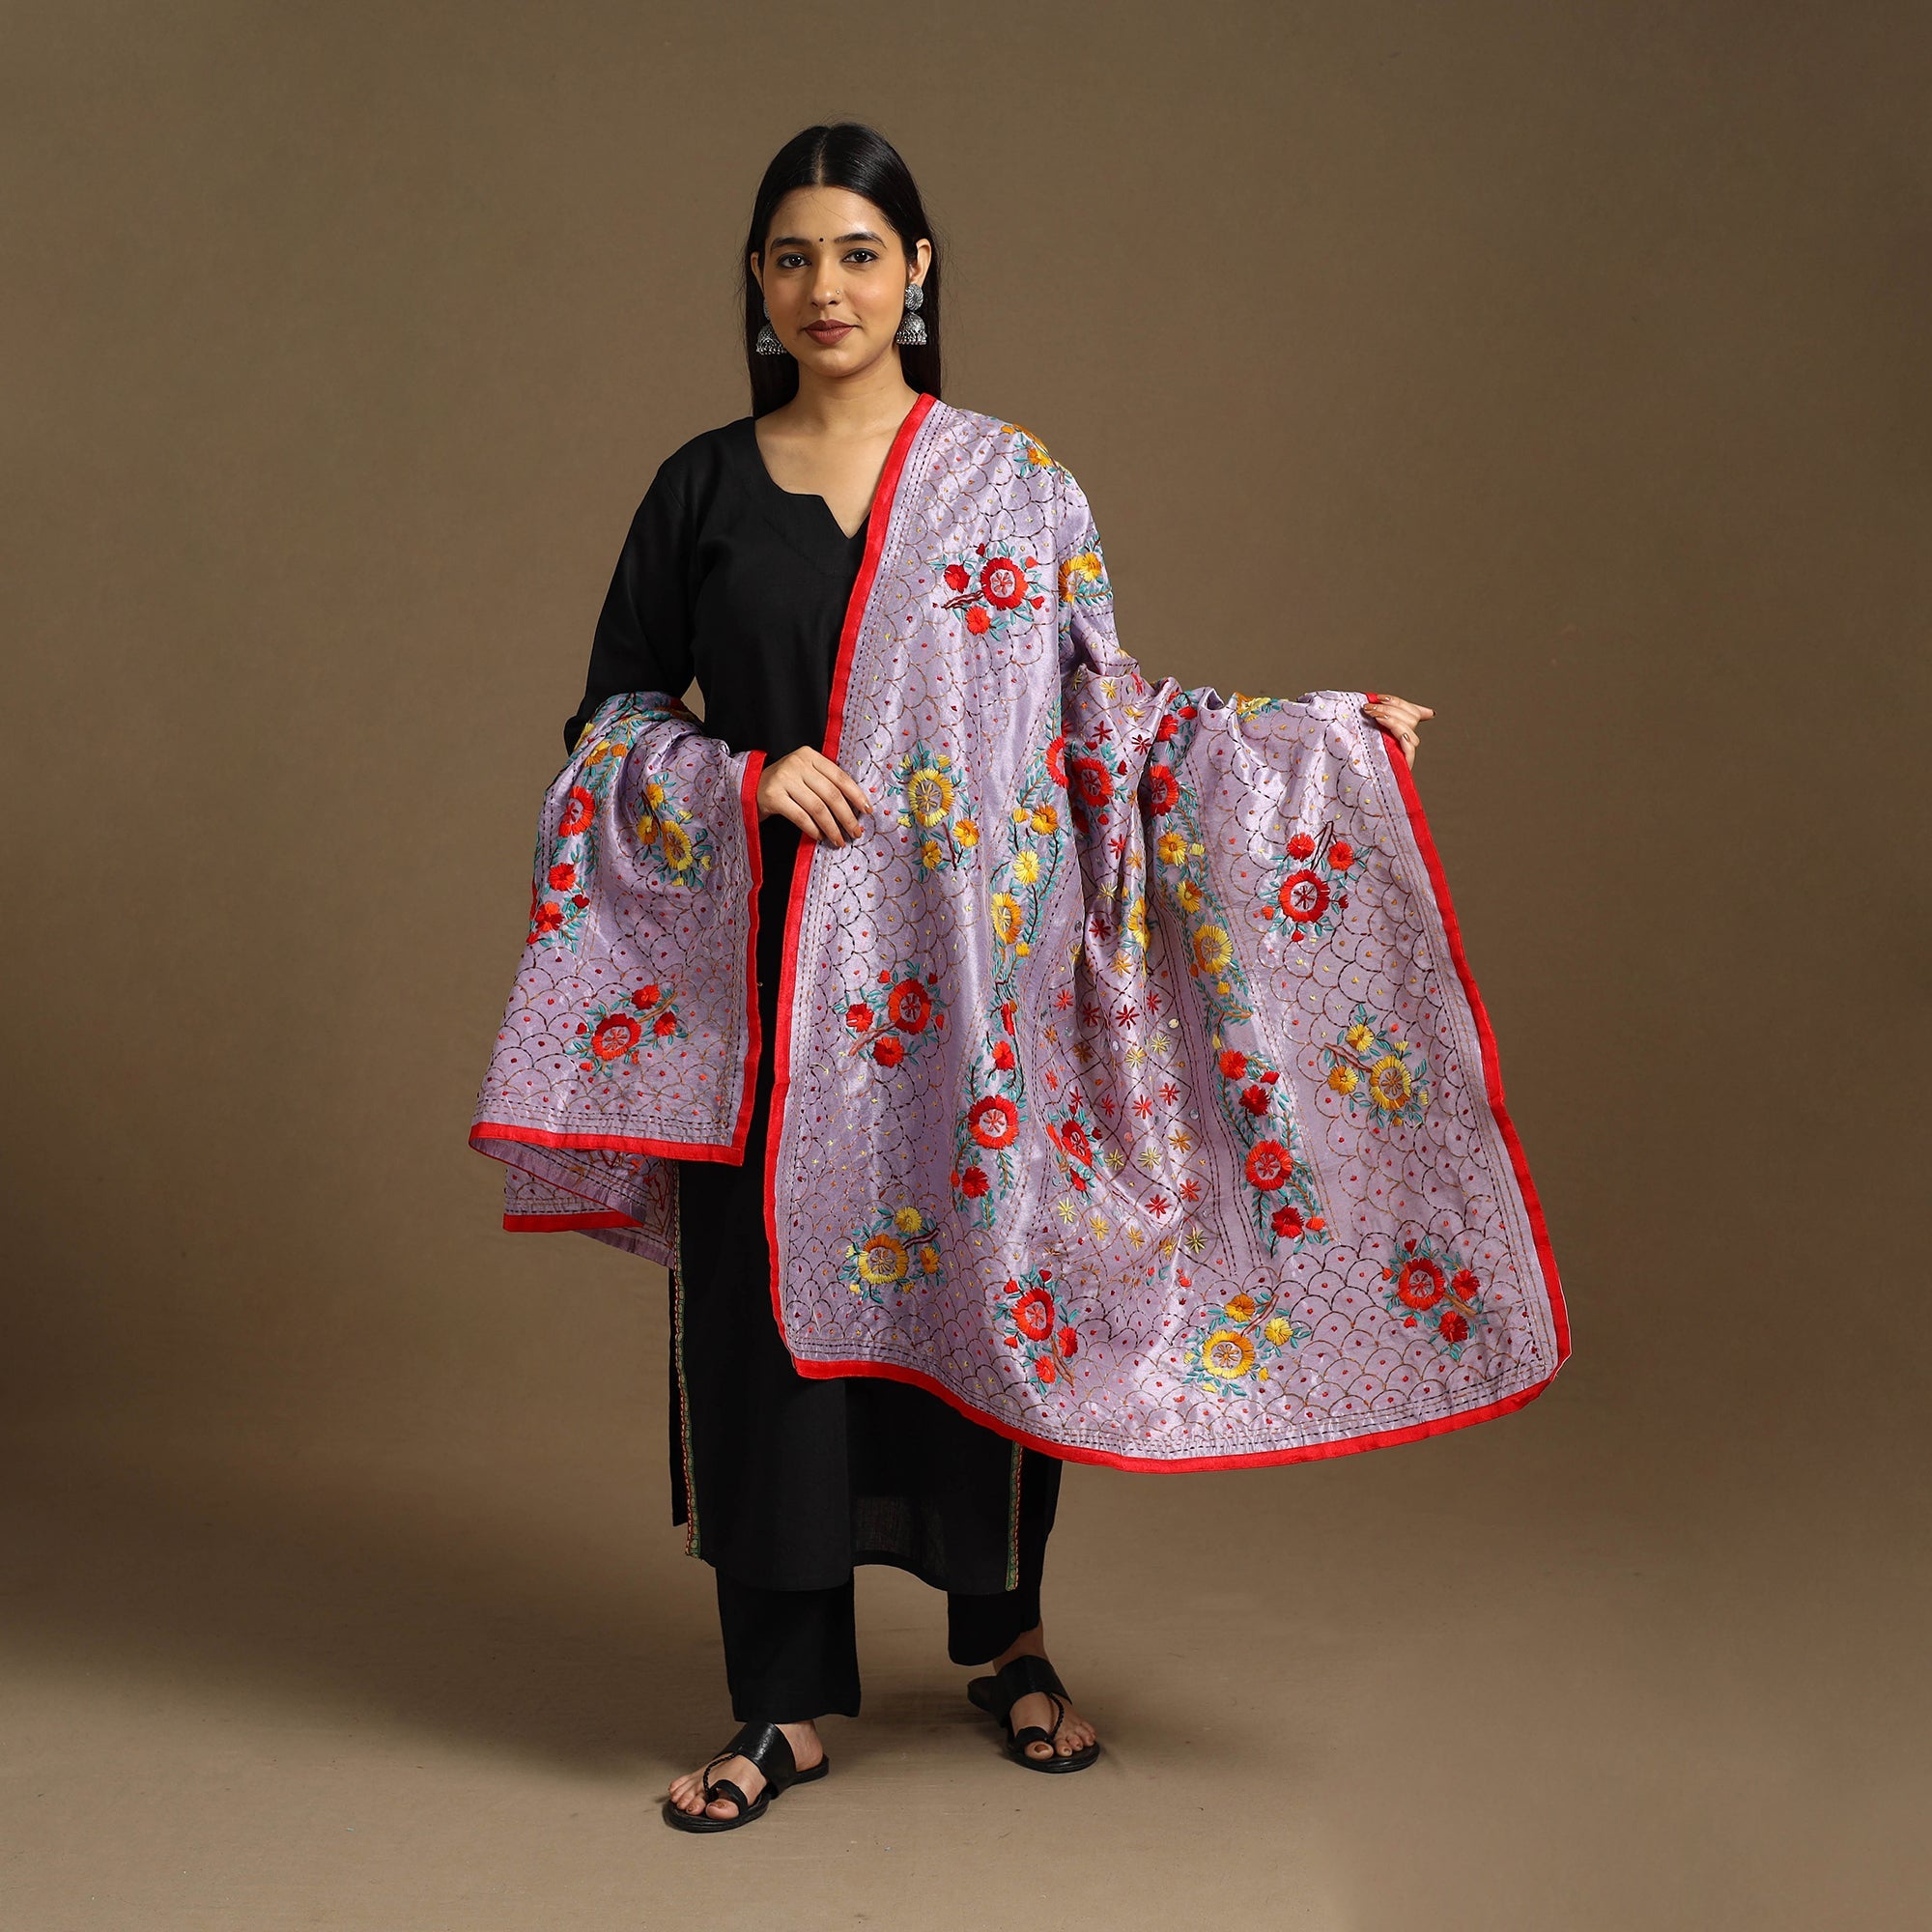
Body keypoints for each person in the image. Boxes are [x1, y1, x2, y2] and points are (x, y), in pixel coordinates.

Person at [557, 124, 1435, 1832]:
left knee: (994, 1293)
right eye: (793, 258)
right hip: (773, 1000)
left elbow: (1111, 724)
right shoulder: (702, 491)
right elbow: (608, 725)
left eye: (858, 254)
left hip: (976, 995)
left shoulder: (1019, 487)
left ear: (917, 273)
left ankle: (1009, 1645)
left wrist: (1317, 736)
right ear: (756, 283)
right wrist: (741, 779)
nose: (826, 289)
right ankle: (778, 1706)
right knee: (764, 1335)